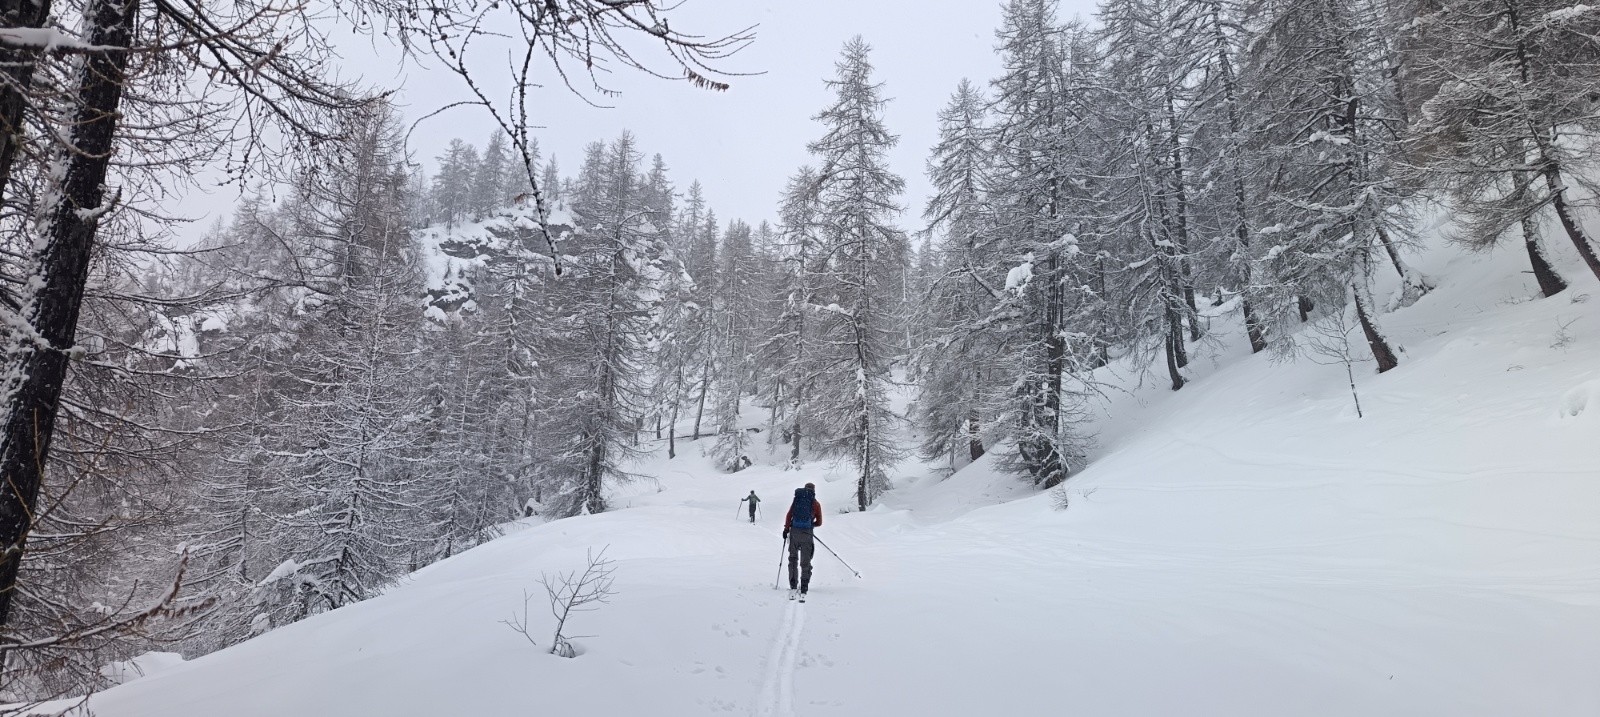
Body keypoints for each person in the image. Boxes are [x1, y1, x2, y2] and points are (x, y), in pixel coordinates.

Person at [782, 483, 822, 600]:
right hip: (807, 534)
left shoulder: (797, 500)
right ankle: (804, 585)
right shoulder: (815, 504)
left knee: (793, 558)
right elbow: (819, 522)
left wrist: (786, 529)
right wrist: (811, 525)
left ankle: (793, 584)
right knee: (806, 561)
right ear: (813, 491)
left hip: (794, 532)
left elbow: (789, 515)